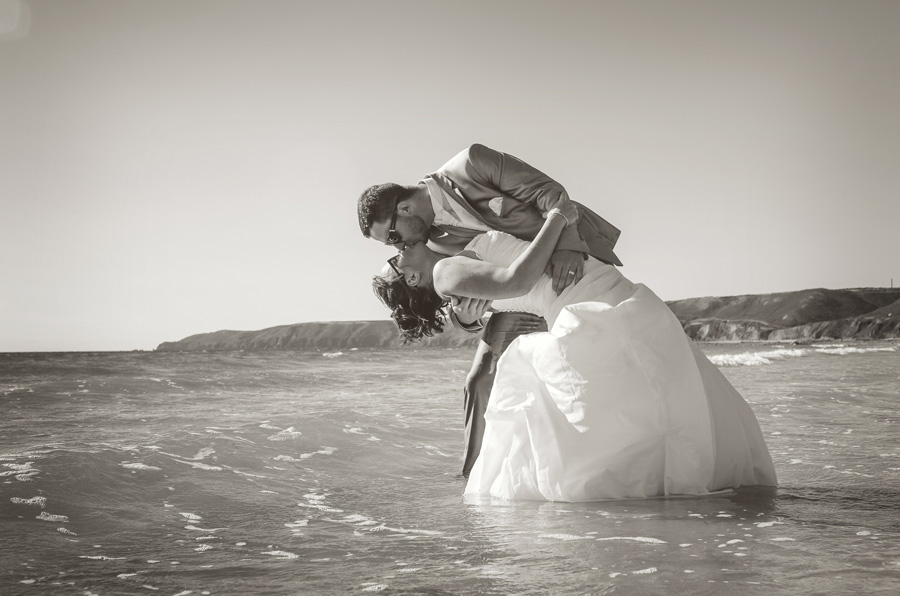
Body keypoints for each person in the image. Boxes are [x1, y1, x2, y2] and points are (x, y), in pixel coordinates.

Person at [371, 199, 777, 502]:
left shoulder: (452, 249)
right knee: (657, 410)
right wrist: (558, 220)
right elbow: (516, 281)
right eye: (395, 255)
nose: (399, 246)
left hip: (593, 303)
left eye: (394, 245)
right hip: (606, 301)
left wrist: (469, 317)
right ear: (410, 275)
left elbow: (500, 290)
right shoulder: (445, 272)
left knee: (643, 421)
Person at [357, 143, 622, 476]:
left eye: (393, 236)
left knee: (583, 354)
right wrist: (465, 320)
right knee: (479, 378)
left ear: (406, 208)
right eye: (392, 245)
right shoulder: (427, 242)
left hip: (562, 250)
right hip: (512, 289)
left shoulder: (472, 164)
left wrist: (568, 243)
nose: (400, 246)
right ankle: (475, 473)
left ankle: (585, 449)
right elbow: (453, 289)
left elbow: (551, 194)